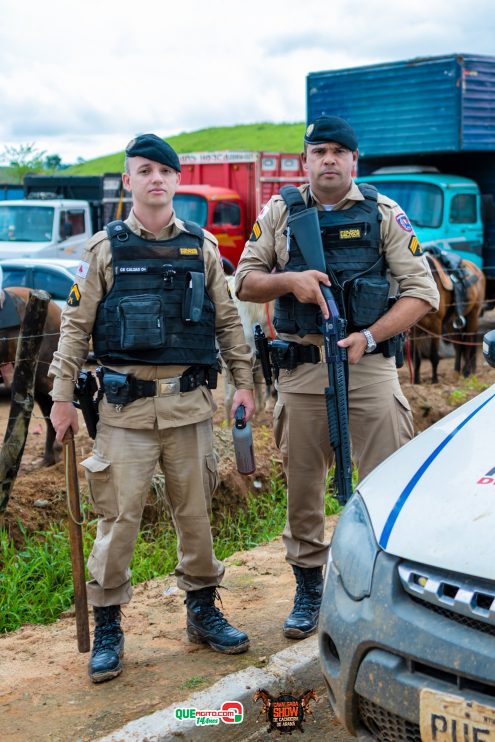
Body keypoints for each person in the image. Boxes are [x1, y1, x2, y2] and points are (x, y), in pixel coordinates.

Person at [49, 133, 255, 683]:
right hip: (124, 414)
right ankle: (110, 625)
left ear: (177, 179)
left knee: (196, 516)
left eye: (164, 171)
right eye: (144, 171)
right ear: (129, 181)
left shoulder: (202, 247)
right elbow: (74, 327)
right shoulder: (104, 249)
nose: (155, 179)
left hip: (189, 408)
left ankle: (203, 612)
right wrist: (62, 398)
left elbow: (229, 322)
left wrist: (244, 382)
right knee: (117, 521)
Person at [235, 115, 440, 640]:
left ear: (354, 160)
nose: (328, 160)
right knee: (304, 487)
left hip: (368, 370)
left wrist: (368, 338)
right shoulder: (282, 211)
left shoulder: (384, 213)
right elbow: (246, 281)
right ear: (305, 160)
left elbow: (423, 292)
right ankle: (309, 589)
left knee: (384, 484)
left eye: (338, 152)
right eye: (318, 151)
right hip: (303, 372)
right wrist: (293, 282)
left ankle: (380, 590)